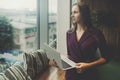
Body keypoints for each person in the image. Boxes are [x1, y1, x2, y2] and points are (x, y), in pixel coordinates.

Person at [66, 3, 109, 80]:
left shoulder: (96, 33)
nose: (72, 15)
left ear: (83, 14)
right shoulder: (69, 33)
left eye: (75, 12)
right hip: (71, 75)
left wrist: (88, 65)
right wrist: (61, 61)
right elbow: (69, 55)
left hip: (89, 75)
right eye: (71, 13)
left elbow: (106, 57)